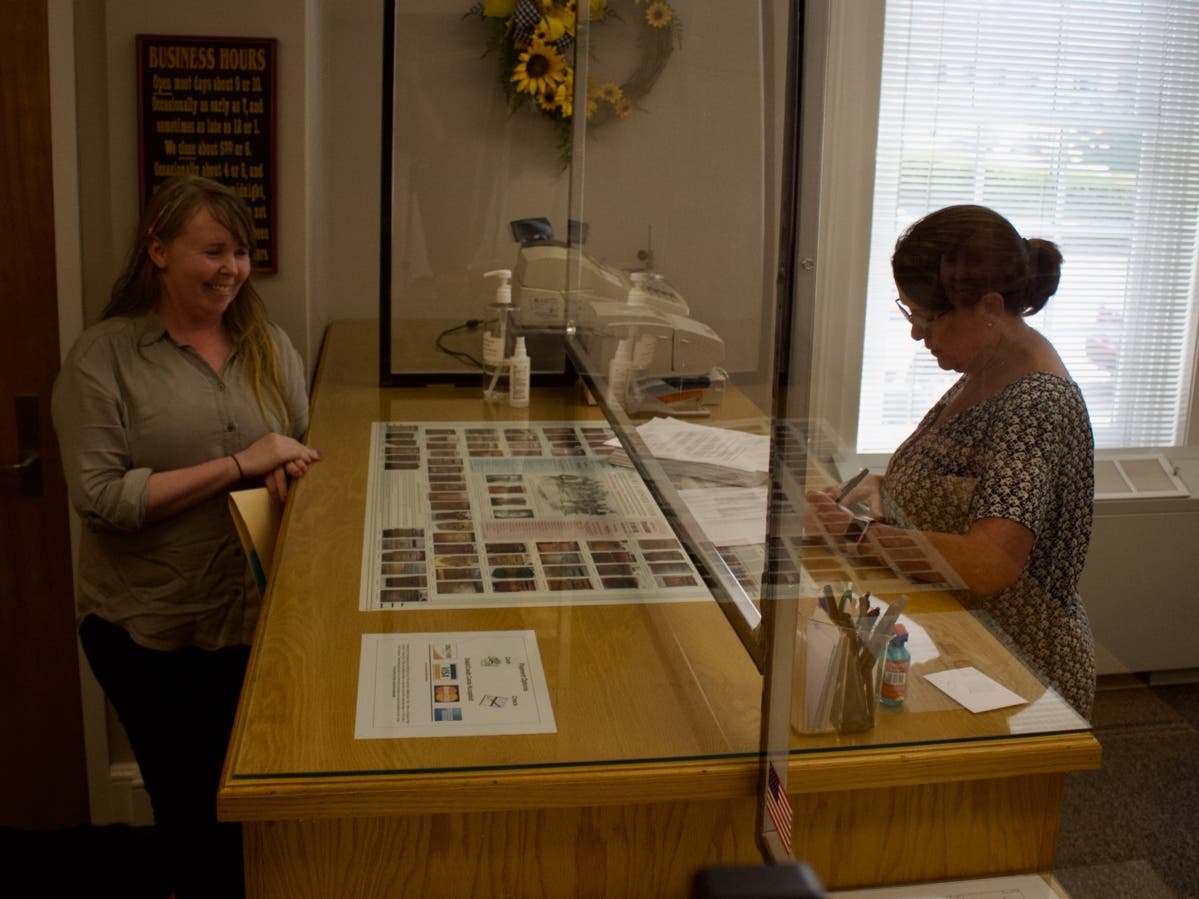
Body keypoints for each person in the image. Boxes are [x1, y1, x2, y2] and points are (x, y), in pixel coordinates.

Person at [52, 174, 322, 897]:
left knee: (250, 811)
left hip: (251, 620)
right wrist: (240, 462)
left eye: (240, 250)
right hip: (151, 631)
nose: (231, 267)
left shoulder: (267, 343)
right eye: (212, 250)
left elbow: (297, 444)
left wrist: (289, 469)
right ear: (159, 252)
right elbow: (102, 496)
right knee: (191, 815)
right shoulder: (101, 358)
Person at [806, 204, 1096, 719]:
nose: (918, 334)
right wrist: (879, 488)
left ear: (988, 306)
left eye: (927, 318)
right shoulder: (988, 370)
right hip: (962, 645)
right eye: (909, 313)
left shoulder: (1036, 403)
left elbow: (989, 563)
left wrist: (855, 534)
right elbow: (965, 484)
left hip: (1012, 672)